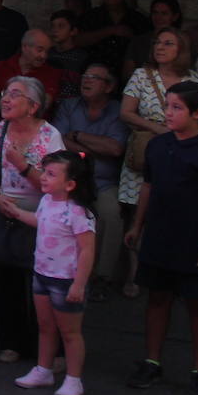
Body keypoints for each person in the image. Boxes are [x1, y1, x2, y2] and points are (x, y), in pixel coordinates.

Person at [125, 81, 198, 395]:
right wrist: (137, 226)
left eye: (176, 108)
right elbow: (148, 186)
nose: (168, 113)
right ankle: (152, 361)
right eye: (167, 106)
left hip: (194, 243)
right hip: (159, 236)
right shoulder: (158, 146)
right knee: (157, 298)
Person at [0, 76, 66, 363]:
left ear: (33, 105)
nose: (6, 99)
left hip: (40, 216)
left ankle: (47, 347)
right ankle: (11, 342)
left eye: (15, 94)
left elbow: (56, 185)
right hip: (5, 212)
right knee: (7, 281)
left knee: (41, 284)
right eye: (6, 93)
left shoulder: (50, 136)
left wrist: (23, 165)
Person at [1, 152, 97, 395]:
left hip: (66, 280)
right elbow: (39, 221)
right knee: (45, 327)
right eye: (44, 171)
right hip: (42, 274)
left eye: (51, 174)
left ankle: (74, 379)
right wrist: (16, 212)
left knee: (70, 332)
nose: (43, 177)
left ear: (70, 184)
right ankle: (43, 370)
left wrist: (79, 283)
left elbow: (87, 250)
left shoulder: (78, 213)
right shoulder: (47, 201)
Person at [119, 27, 198, 298]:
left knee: (176, 212)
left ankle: (170, 273)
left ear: (182, 50)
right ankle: (135, 274)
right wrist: (159, 130)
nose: (160, 47)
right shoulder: (141, 76)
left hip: (182, 155)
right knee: (137, 215)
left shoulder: (196, 81)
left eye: (169, 43)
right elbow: (126, 113)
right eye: (158, 42)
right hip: (147, 152)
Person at [51, 63, 127, 301]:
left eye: (95, 77)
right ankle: (56, 272)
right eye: (85, 76)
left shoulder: (117, 111)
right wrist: (93, 148)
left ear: (109, 86)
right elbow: (58, 140)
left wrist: (78, 136)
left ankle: (101, 277)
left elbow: (115, 148)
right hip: (69, 179)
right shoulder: (69, 105)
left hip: (103, 181)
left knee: (112, 213)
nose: (87, 80)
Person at [74, 0, 152, 74]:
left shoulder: (139, 19)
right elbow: (77, 40)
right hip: (95, 78)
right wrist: (110, 31)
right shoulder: (90, 16)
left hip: (127, 79)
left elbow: (147, 48)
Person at [0, 29, 63, 113]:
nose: (44, 56)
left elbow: (43, 105)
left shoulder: (51, 73)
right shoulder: (1, 67)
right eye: (39, 50)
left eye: (47, 52)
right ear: (24, 47)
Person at [123, 0, 182, 83]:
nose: (158, 17)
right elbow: (127, 73)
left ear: (175, 17)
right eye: (155, 13)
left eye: (164, 13)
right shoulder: (138, 41)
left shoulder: (182, 40)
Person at [47, 9, 88, 101]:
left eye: (61, 26)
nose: (55, 30)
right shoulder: (46, 54)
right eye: (53, 26)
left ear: (73, 31)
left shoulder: (82, 57)